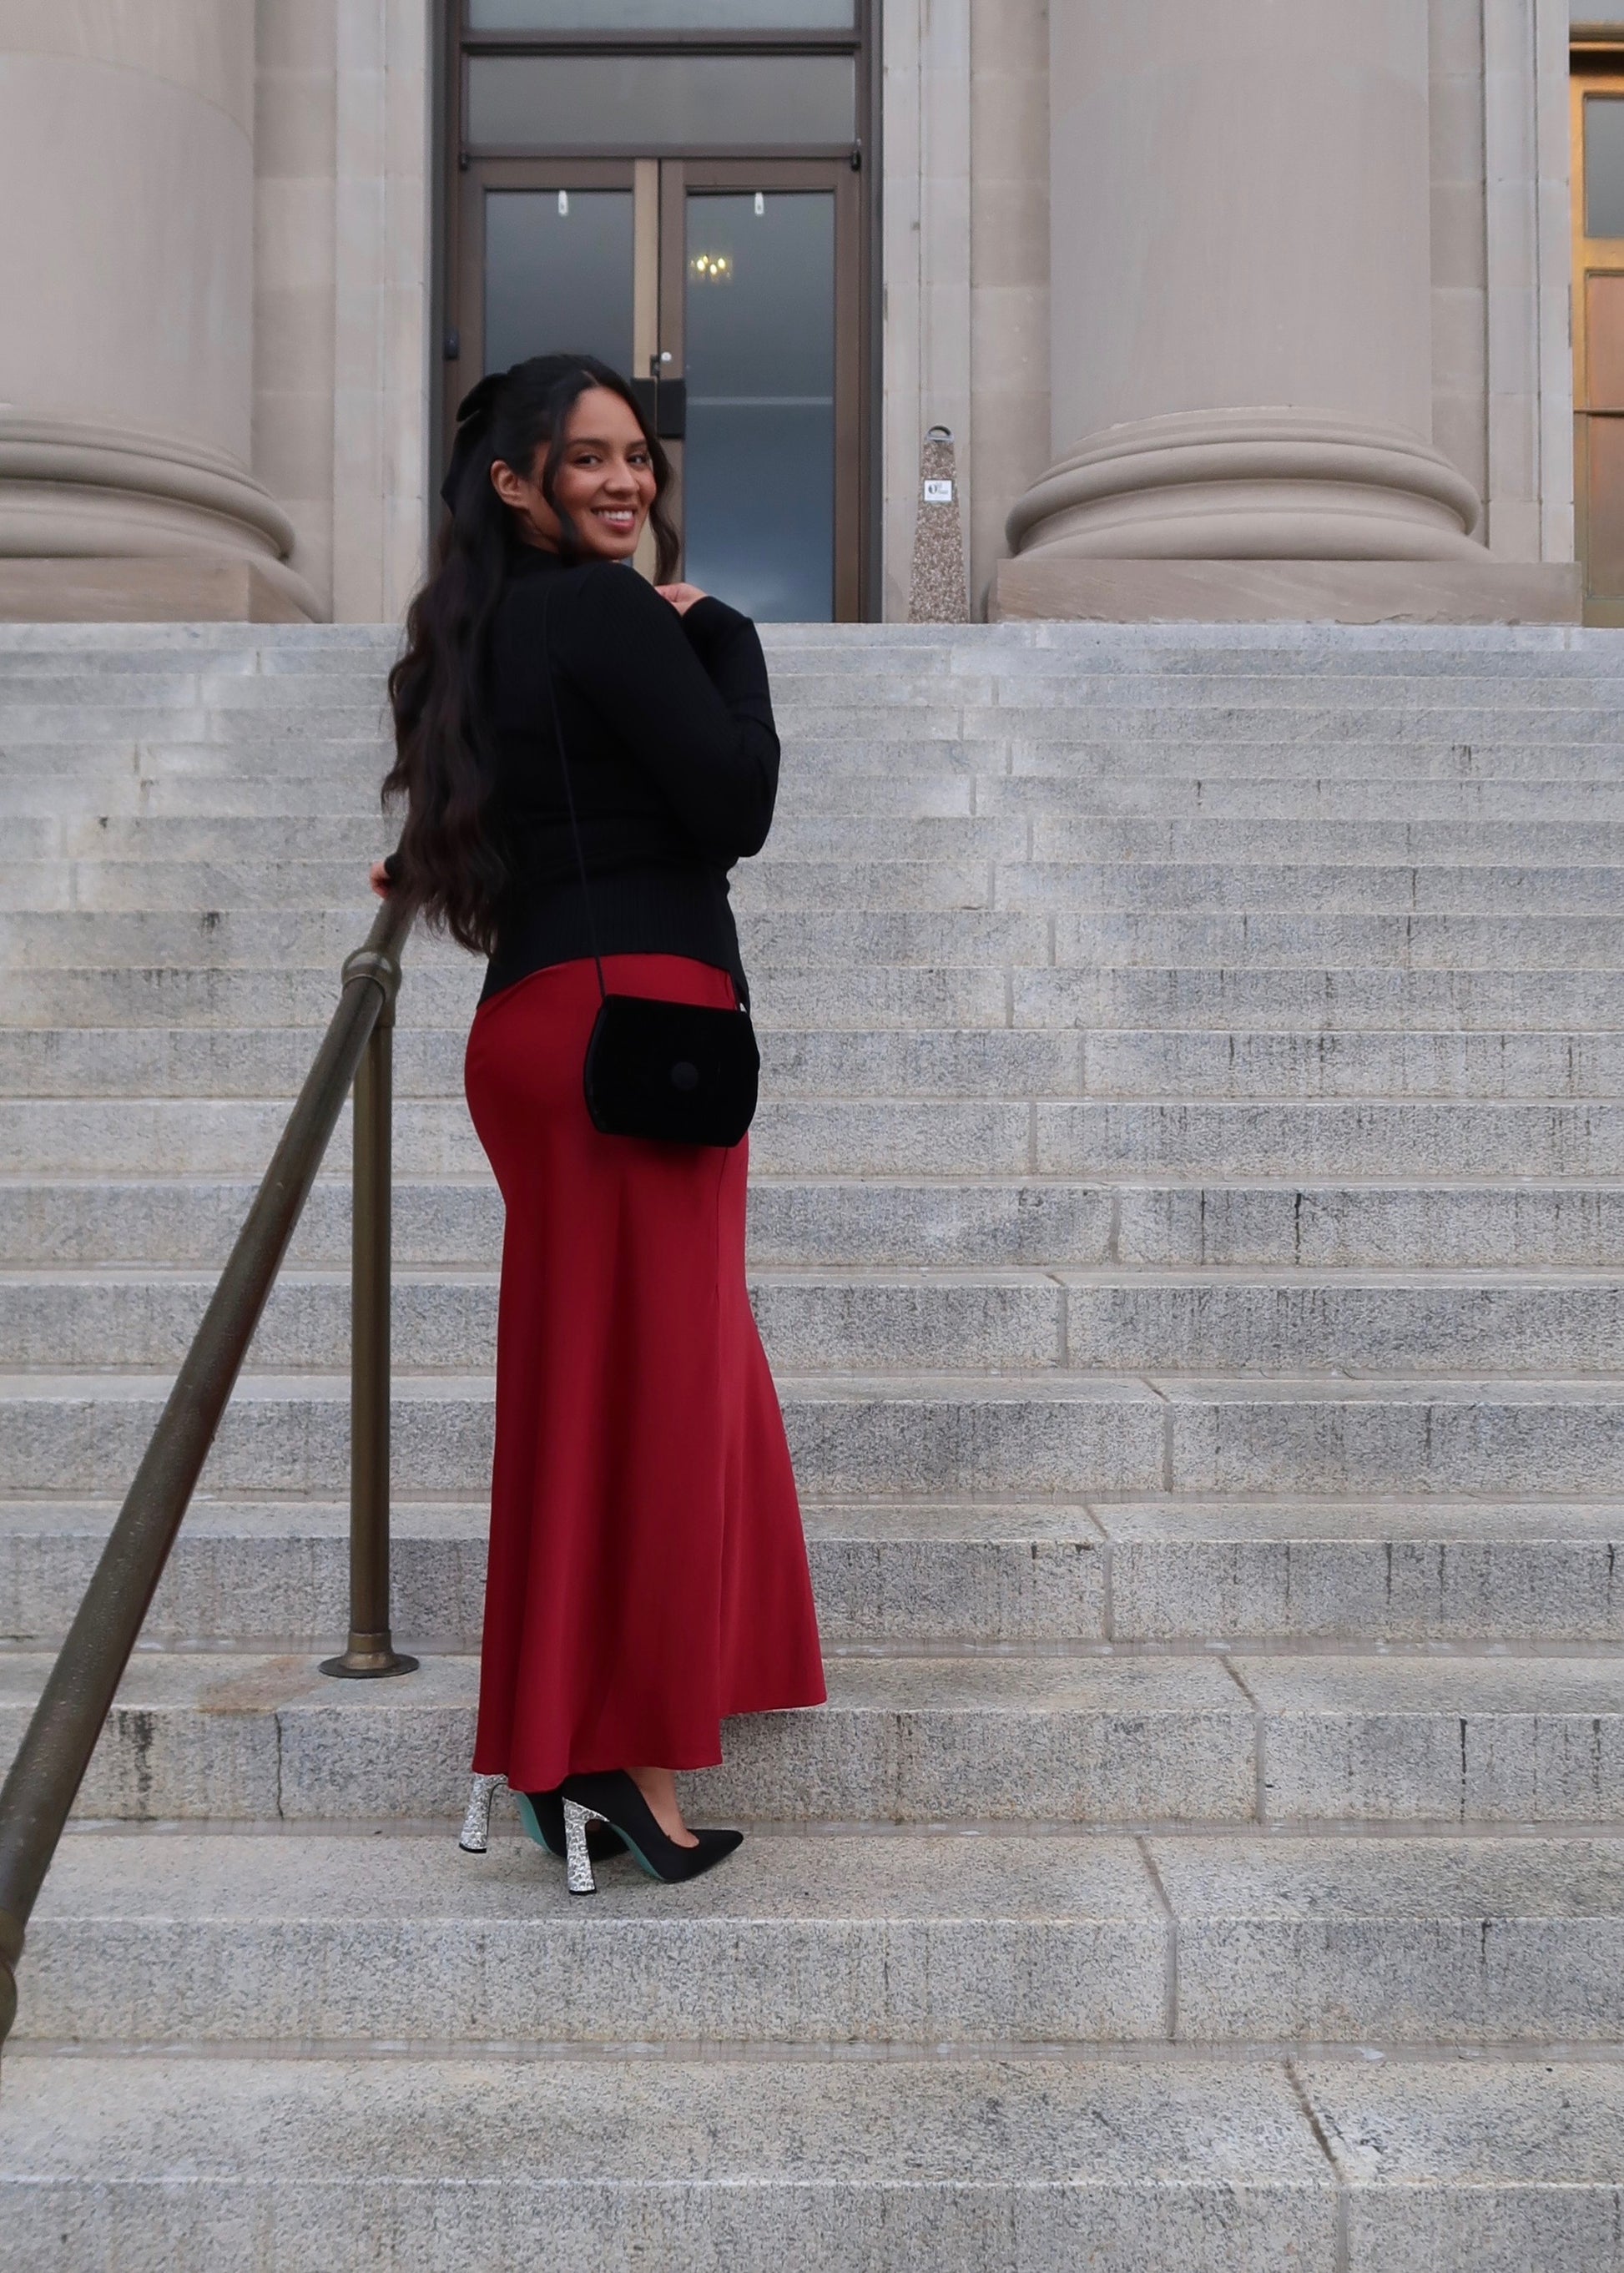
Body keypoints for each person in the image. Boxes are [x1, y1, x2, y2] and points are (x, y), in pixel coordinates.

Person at [375, 353, 825, 1890]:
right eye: (586, 462)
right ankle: (605, 1761)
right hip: (641, 1028)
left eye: (637, 456)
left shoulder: (481, 635)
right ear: (516, 482)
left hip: (543, 1023)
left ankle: (574, 1737)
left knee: (610, 1381)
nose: (625, 482)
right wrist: (733, 640)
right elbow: (734, 804)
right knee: (647, 1393)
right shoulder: (613, 613)